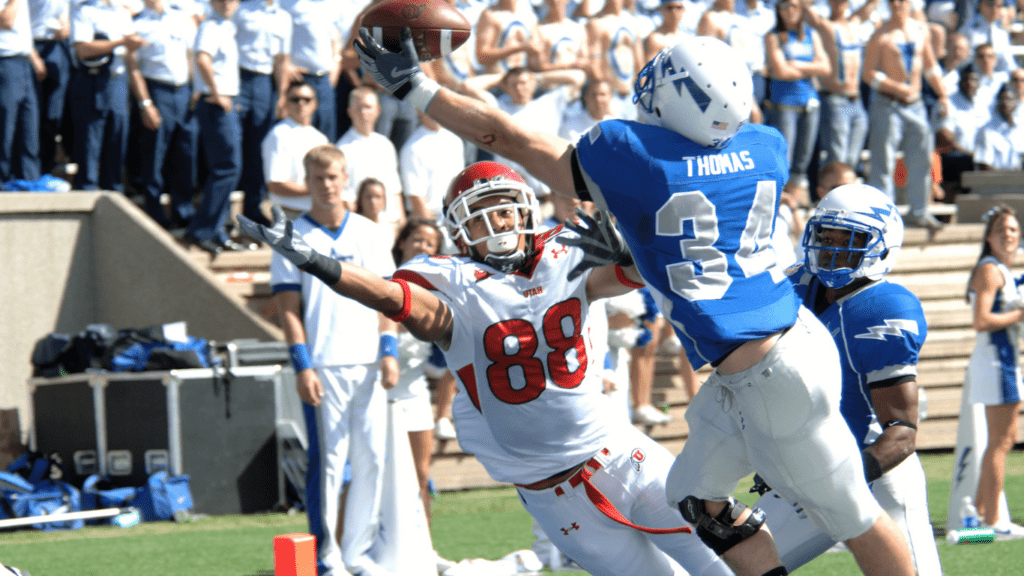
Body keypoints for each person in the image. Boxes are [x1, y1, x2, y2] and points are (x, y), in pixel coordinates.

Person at [353, 30, 919, 576]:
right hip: (777, 348)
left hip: (768, 372)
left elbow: (509, 138)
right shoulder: (765, 146)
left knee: (852, 515)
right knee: (695, 499)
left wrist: (416, 87)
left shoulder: (633, 154)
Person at [241, 159, 734, 576]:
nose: (498, 223)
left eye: (504, 209)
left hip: (621, 451)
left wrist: (632, 249)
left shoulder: (565, 252)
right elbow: (398, 300)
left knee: (718, 562)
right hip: (553, 492)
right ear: (461, 232)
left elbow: (626, 275)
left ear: (525, 209)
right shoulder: (453, 283)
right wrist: (320, 264)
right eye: (481, 217)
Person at [753, 183, 943, 574]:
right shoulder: (795, 286)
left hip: (876, 473)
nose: (834, 249)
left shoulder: (882, 308)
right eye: (827, 237)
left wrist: (842, 476)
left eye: (851, 239)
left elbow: (902, 431)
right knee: (721, 565)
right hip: (808, 469)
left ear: (882, 244)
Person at [269, 144, 399, 576]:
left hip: (369, 365)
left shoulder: (369, 232)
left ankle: (356, 553)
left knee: (372, 461)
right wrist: (302, 364)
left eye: (334, 177)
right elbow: (288, 307)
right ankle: (325, 557)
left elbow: (388, 299)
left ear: (346, 180)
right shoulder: (290, 236)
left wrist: (388, 350)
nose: (327, 186)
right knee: (328, 464)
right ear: (306, 183)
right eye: (318, 178)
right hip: (323, 366)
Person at [386, 217, 455, 572]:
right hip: (377, 395)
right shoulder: (379, 284)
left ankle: (426, 552)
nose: (423, 247)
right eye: (417, 240)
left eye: (431, 243)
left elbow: (448, 356)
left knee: (420, 472)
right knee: (373, 475)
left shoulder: (437, 294)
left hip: (414, 394)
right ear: (402, 243)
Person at [964, 204, 1024, 540]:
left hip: (1003, 360)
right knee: (1002, 442)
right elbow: (982, 320)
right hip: (995, 362)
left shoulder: (1001, 269)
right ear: (989, 236)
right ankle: (994, 521)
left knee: (1002, 440)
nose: (1009, 236)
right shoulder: (990, 270)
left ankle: (982, 510)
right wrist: (1020, 316)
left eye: (1014, 230)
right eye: (1002, 231)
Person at [863, 0, 950, 232]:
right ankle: (882, 216)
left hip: (916, 103)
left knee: (922, 157)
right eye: (892, 1)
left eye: (901, 0)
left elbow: (930, 65)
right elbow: (869, 74)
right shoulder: (880, 34)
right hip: (888, 103)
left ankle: (919, 210)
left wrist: (943, 94)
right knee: (883, 160)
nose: (896, 5)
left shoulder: (920, 29)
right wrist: (895, 86)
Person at [184, 0, 252, 255]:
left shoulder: (226, 27)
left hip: (225, 99)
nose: (227, 3)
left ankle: (216, 230)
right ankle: (203, 230)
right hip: (216, 102)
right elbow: (202, 59)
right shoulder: (210, 26)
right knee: (227, 166)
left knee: (229, 167)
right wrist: (215, 92)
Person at [127, 0, 199, 232]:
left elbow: (190, 55)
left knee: (185, 155)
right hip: (157, 91)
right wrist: (145, 103)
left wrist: (195, 90)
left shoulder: (181, 17)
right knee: (155, 155)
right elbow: (133, 66)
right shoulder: (136, 23)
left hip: (184, 90)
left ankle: (183, 210)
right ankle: (155, 211)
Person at [68, 0, 144, 193]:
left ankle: (114, 195)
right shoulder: (85, 11)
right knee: (89, 146)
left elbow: (129, 54)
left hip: (118, 81)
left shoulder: (122, 13)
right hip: (93, 81)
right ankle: (87, 193)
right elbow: (83, 50)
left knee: (117, 143)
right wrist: (120, 42)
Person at [763, 0, 831, 206]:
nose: (789, 11)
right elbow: (780, 71)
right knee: (785, 158)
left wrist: (797, 65)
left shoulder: (812, 35)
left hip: (809, 103)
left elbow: (826, 67)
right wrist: (811, 68)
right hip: (784, 104)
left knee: (803, 160)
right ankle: (780, 203)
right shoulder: (773, 36)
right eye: (784, 7)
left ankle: (791, 204)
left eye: (794, 6)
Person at [233, 0, 294, 227]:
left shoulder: (283, 17)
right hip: (239, 77)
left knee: (258, 149)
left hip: (264, 83)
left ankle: (253, 207)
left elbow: (282, 59)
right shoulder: (242, 9)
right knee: (233, 146)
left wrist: (281, 94)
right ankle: (226, 209)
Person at [802, 0, 879, 170]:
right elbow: (804, 7)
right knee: (837, 156)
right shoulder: (824, 25)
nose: (839, 3)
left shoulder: (855, 23)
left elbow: (870, 6)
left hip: (856, 99)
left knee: (852, 157)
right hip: (834, 97)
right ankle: (832, 192)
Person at [336, 86, 404, 229]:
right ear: (349, 112)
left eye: (368, 107)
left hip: (389, 224)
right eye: (359, 108)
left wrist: (401, 220)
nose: (363, 112)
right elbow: (343, 195)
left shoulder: (386, 145)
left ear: (378, 111)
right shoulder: (342, 149)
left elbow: (395, 189)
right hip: (359, 224)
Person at [262, 80, 329, 218]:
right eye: (295, 99)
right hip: (289, 214)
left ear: (315, 104)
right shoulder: (278, 135)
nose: (301, 103)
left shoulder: (321, 139)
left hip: (316, 215)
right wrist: (316, 190)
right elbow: (275, 185)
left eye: (307, 99)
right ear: (285, 102)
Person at [279, 0, 342, 141]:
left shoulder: (332, 4)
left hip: (325, 80)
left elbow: (335, 36)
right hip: (299, 80)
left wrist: (336, 63)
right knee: (297, 133)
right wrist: (286, 65)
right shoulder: (286, 4)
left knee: (326, 134)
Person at [399, 110, 466, 224]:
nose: (435, 112)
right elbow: (416, 198)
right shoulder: (411, 148)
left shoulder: (456, 141)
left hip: (455, 218)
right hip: (429, 222)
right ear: (418, 111)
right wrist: (435, 231)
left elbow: (458, 183)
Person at [0, 0, 41, 185]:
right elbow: (6, 21)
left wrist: (35, 58)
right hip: (5, 63)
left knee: (29, 126)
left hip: (24, 62)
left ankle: (29, 180)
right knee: (5, 126)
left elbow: (21, 31)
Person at [29, 0, 71, 176]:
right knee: (31, 115)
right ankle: (28, 171)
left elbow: (65, 14)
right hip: (31, 46)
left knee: (53, 114)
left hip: (56, 47)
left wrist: (66, 27)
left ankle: (46, 169)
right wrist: (32, 56)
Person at [586, 0, 644, 119]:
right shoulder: (597, 23)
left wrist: (642, 93)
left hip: (631, 92)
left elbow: (639, 61)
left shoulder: (632, 21)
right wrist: (605, 98)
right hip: (611, 96)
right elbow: (594, 63)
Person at [973, 82, 1022, 171]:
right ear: (997, 104)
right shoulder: (986, 131)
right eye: (1002, 100)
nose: (1006, 103)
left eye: (1009, 99)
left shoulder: (1020, 129)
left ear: (1015, 103)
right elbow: (984, 166)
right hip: (996, 182)